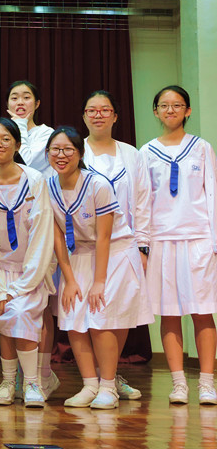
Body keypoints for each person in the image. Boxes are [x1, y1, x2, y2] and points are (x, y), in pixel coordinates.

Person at [47, 126, 153, 409]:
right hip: (77, 255)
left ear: (80, 153)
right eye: (55, 149)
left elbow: (104, 237)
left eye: (68, 149)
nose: (61, 155)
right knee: (73, 320)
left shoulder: (98, 185)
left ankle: (108, 386)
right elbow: (57, 237)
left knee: (101, 319)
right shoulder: (48, 186)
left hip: (114, 254)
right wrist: (69, 279)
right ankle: (90, 385)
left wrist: (99, 281)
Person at [139, 85, 217, 405]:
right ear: (155, 111)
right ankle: (179, 383)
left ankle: (207, 383)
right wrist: (143, 244)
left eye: (177, 105)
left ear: (188, 111)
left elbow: (212, 193)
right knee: (169, 314)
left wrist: (214, 242)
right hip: (161, 240)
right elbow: (142, 202)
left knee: (202, 311)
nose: (170, 110)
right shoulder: (146, 152)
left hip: (198, 239)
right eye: (164, 105)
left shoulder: (201, 148)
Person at [0, 118, 56, 408]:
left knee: (23, 317)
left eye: (5, 139)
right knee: (4, 318)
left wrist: (26, 282)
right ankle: (8, 381)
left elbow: (43, 233)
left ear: (17, 144)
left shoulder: (35, 180)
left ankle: (31, 382)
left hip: (31, 270)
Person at [82, 90, 152, 401]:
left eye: (104, 110)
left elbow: (143, 201)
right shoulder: (76, 152)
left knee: (121, 312)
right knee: (92, 315)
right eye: (92, 110)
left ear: (115, 116)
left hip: (124, 245)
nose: (98, 115)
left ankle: (108, 377)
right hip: (86, 246)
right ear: (84, 116)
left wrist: (143, 245)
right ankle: (98, 380)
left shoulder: (132, 154)